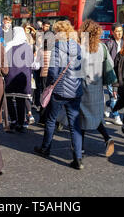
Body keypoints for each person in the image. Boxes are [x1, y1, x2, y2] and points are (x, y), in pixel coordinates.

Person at [34, 20, 84, 170]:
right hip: (75, 90)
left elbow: (53, 72)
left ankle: (46, 148)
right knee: (75, 124)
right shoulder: (78, 47)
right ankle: (78, 159)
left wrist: (49, 85)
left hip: (60, 90)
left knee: (50, 119)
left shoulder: (57, 47)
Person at [79, 20, 115, 157]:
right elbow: (109, 66)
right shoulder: (103, 47)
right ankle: (107, 138)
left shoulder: (81, 48)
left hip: (83, 87)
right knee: (96, 115)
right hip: (97, 87)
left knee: (81, 118)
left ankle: (80, 148)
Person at [4, 27, 34, 133]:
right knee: (21, 100)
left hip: (11, 75)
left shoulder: (9, 45)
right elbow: (31, 61)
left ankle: (13, 120)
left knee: (9, 99)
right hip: (22, 76)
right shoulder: (27, 46)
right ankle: (21, 123)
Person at [33, 21, 55, 123]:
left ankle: (42, 116)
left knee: (44, 94)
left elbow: (36, 64)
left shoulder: (42, 50)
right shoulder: (55, 50)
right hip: (53, 74)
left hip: (43, 74)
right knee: (51, 94)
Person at [104, 22, 124, 126]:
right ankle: (116, 116)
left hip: (122, 74)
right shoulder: (110, 43)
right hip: (111, 73)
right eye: (117, 31)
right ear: (113, 32)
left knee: (119, 97)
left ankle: (108, 105)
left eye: (121, 31)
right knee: (114, 96)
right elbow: (106, 60)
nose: (119, 33)